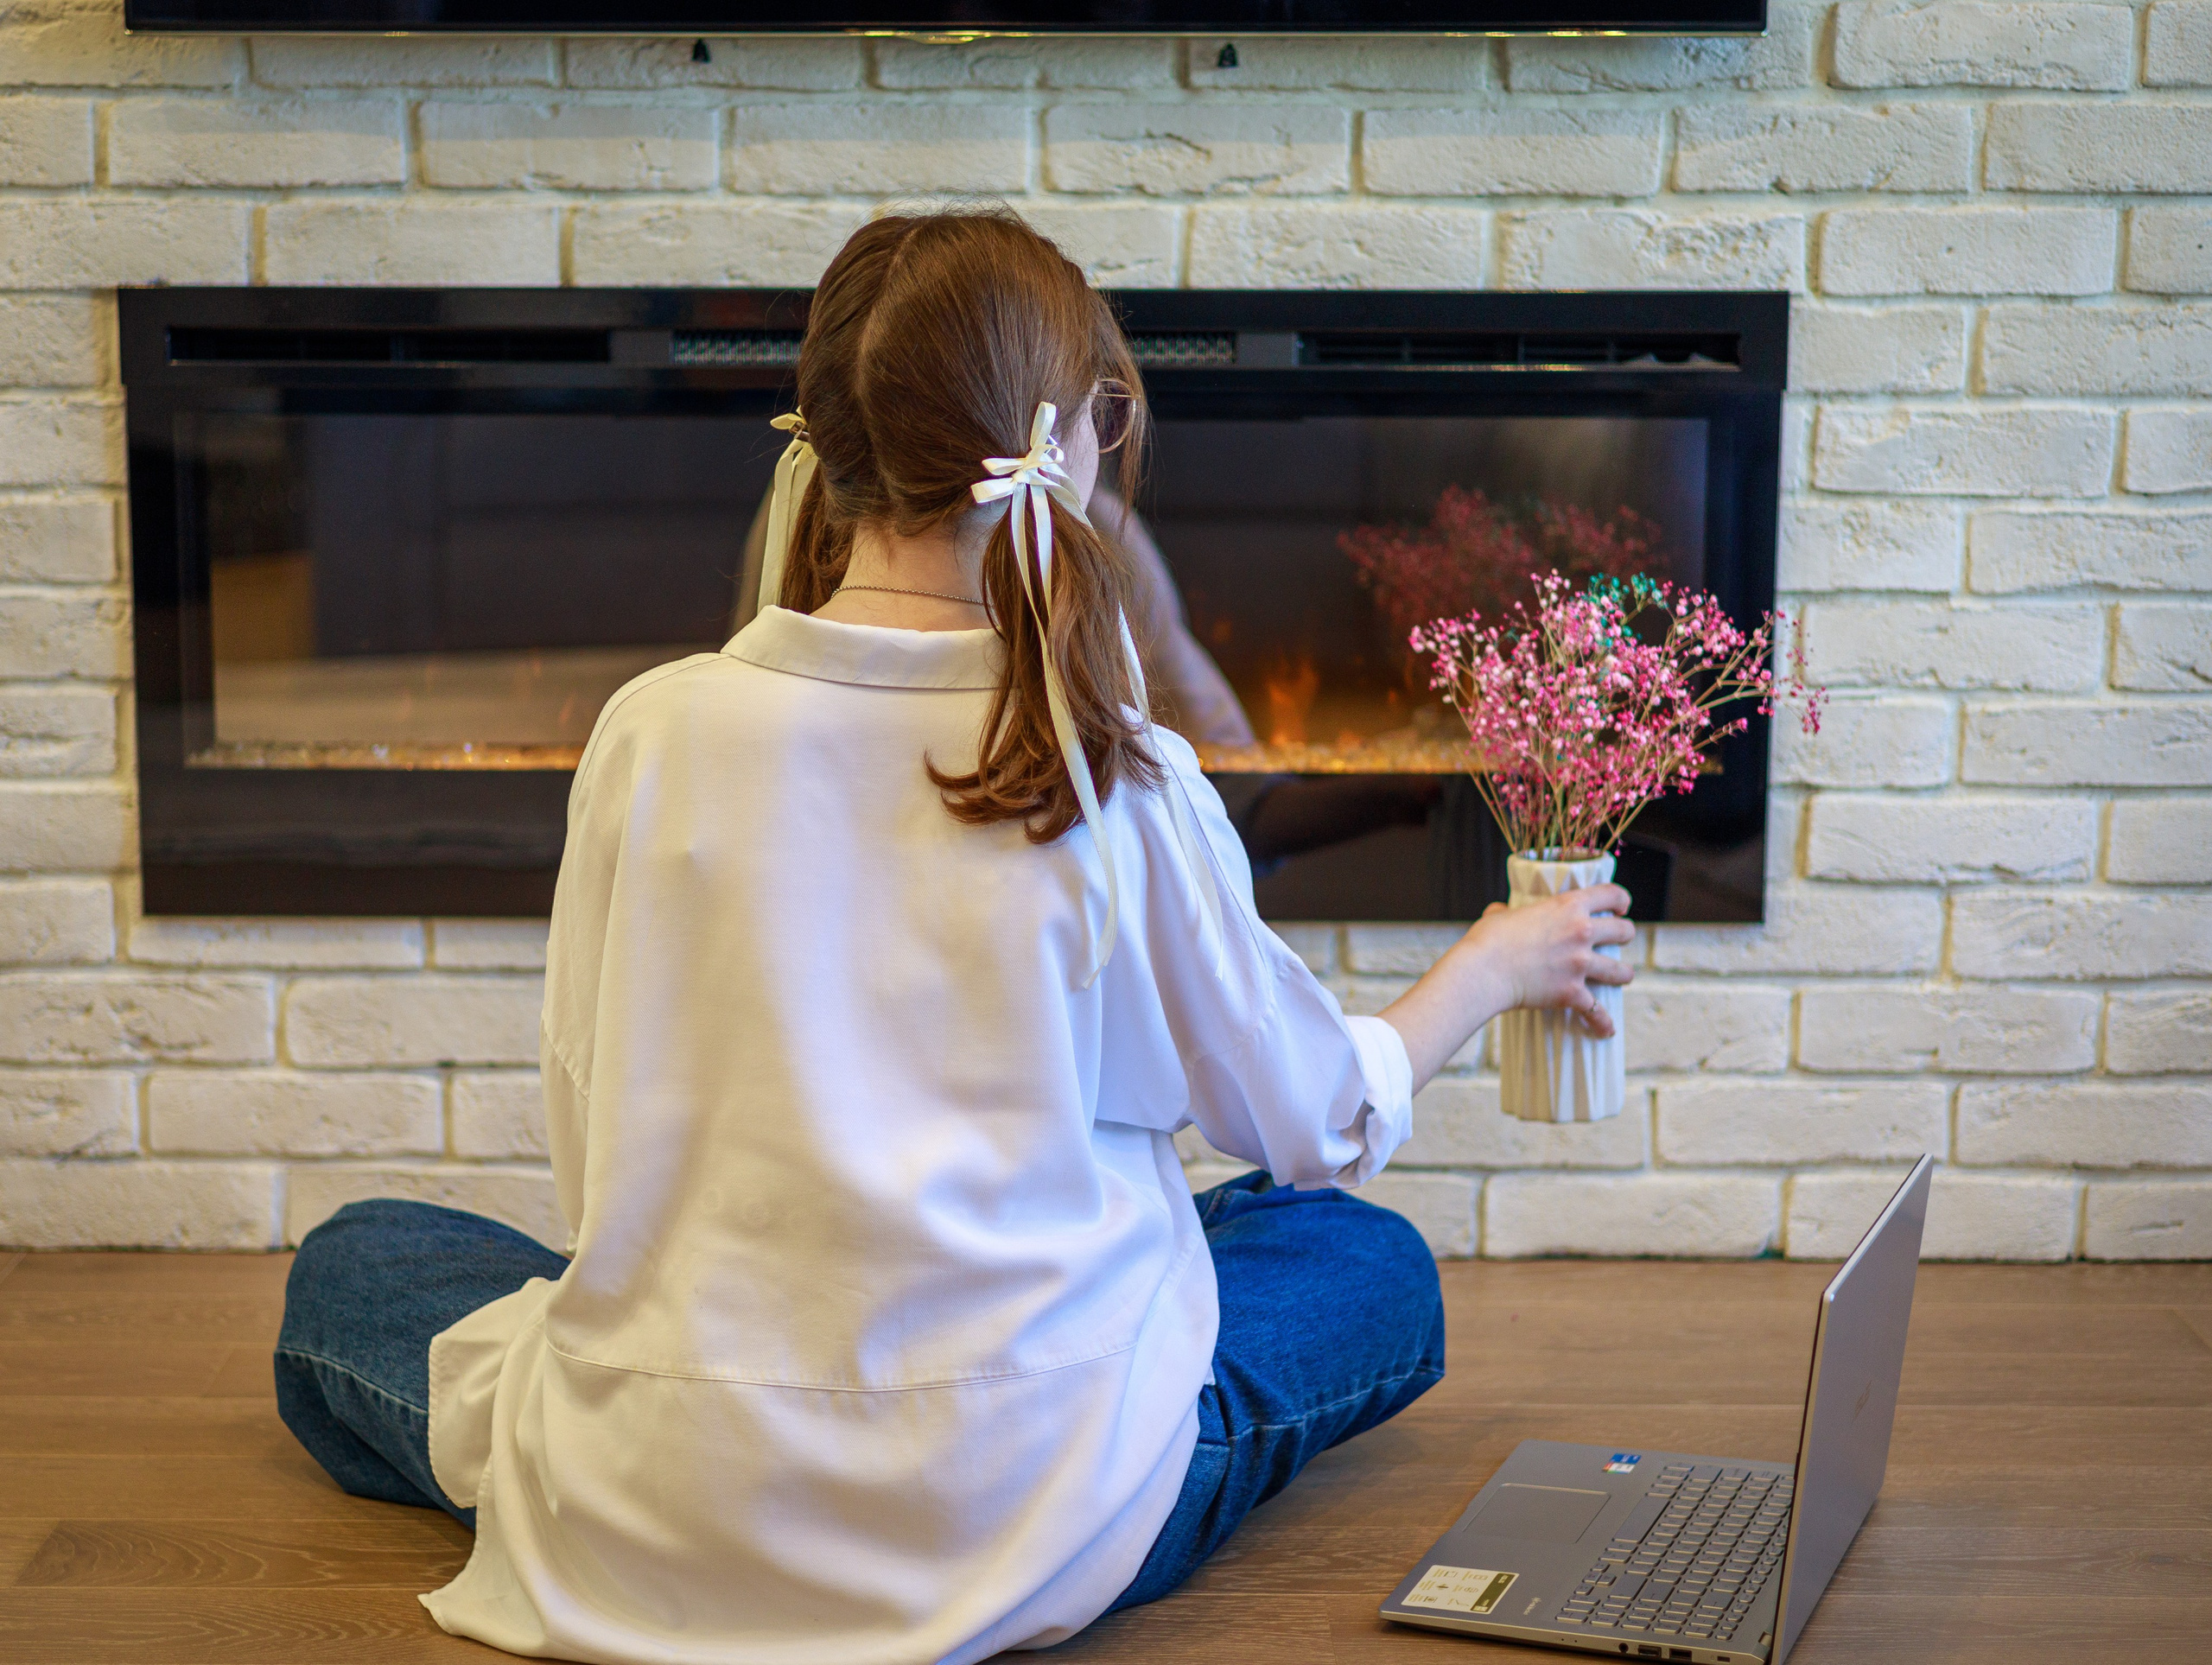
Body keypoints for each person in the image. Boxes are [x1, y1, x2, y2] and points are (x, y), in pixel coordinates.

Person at [272, 207, 1636, 1665]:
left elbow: (598, 1156)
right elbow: (1313, 1120)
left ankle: (692, 1481)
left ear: (825, 442)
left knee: (353, 1264)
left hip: (674, 1488)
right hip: (1028, 1506)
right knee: (1362, 1263)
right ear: (1074, 442)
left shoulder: (649, 733)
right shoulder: (1127, 773)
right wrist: (1494, 963)